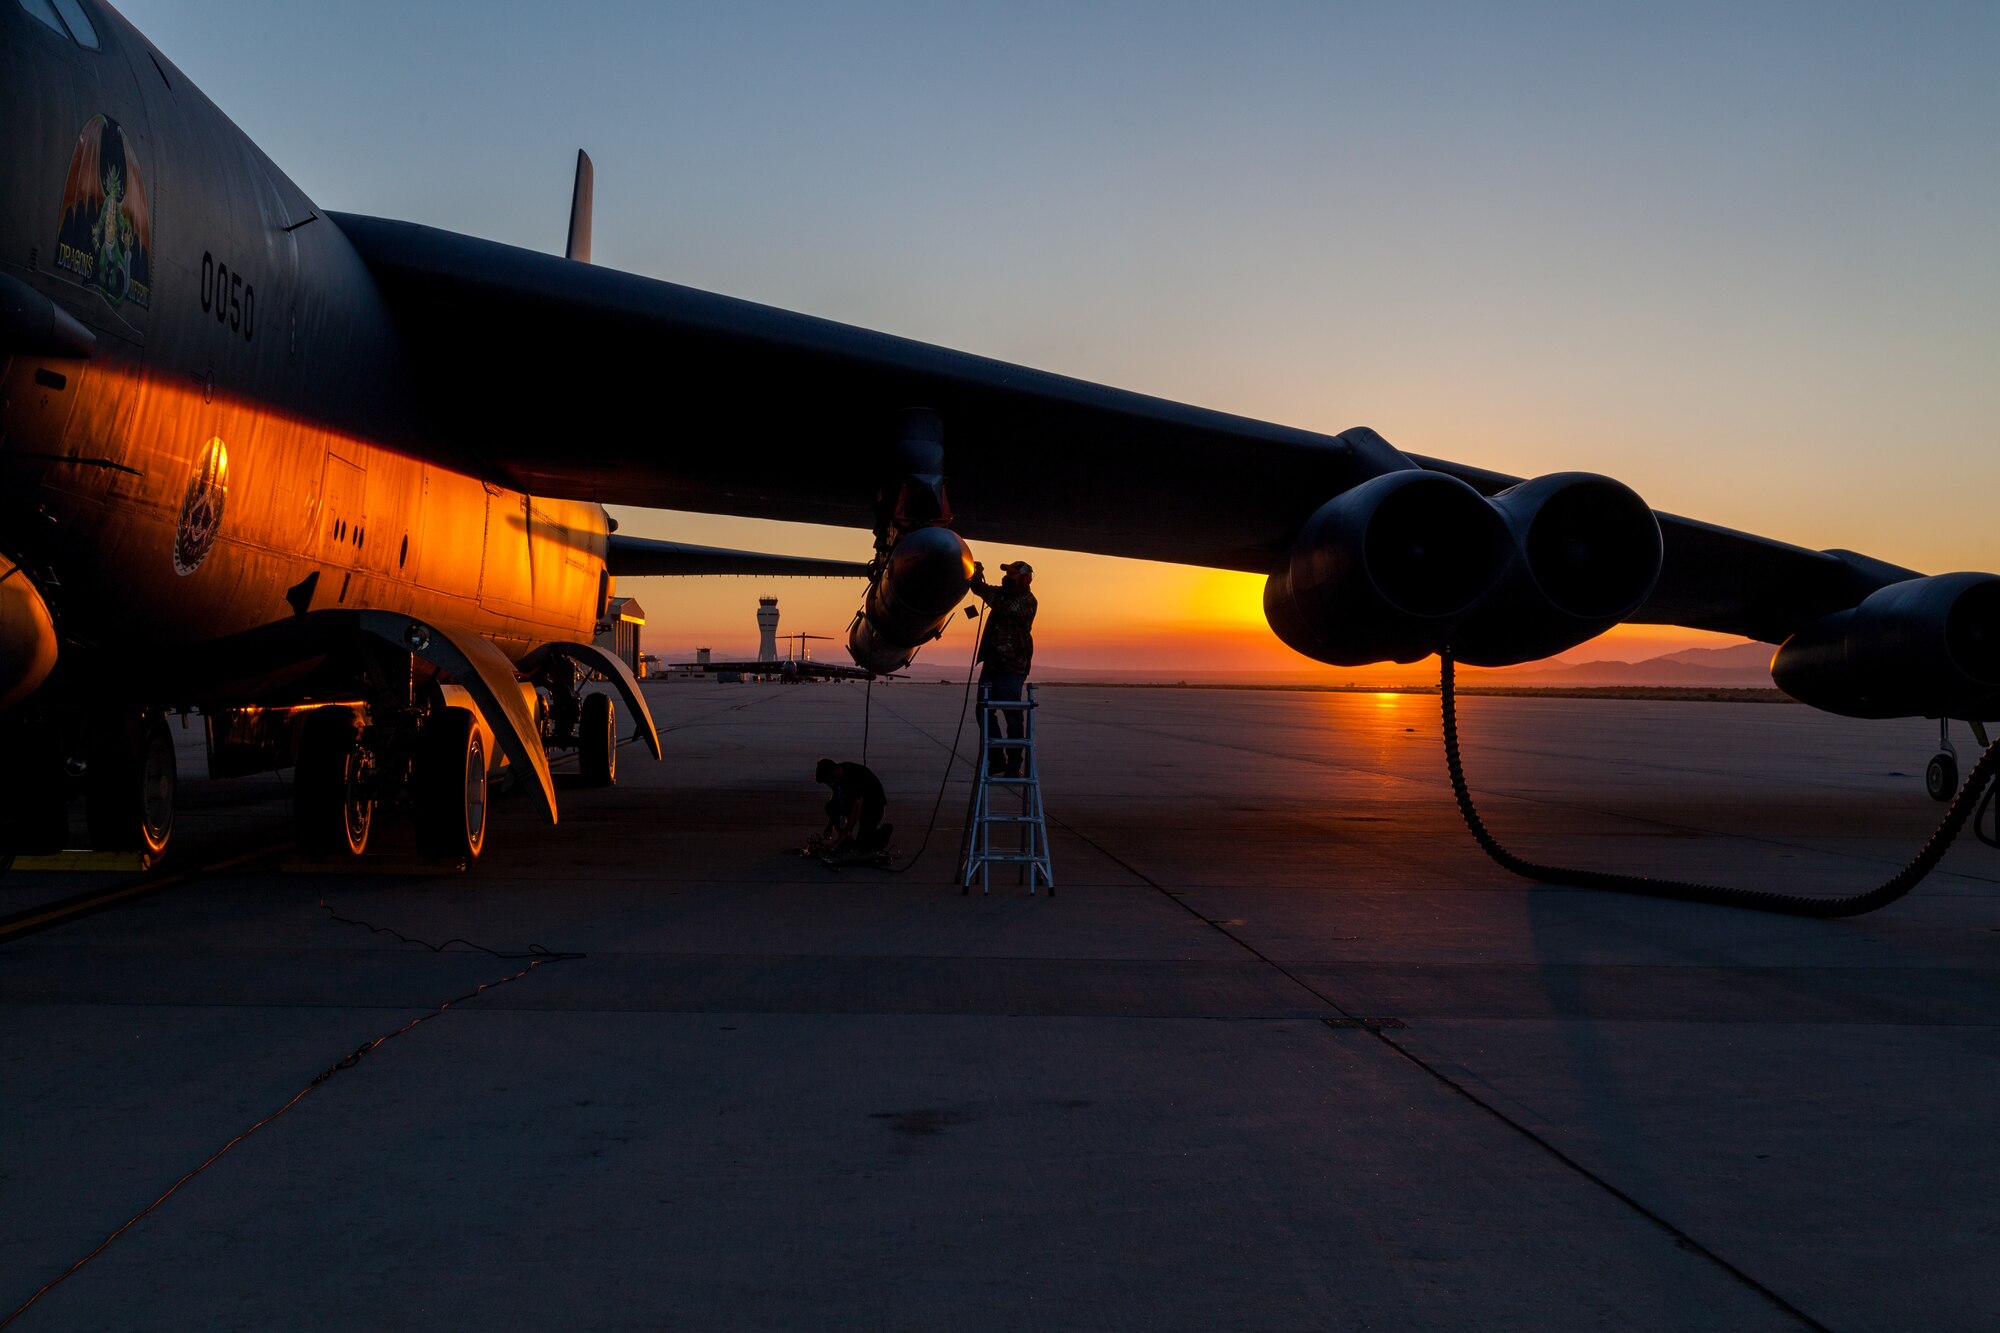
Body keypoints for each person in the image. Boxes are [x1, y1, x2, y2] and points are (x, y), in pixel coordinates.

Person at [968, 559, 1037, 777]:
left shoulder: (1027, 601)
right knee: (983, 710)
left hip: (1011, 668)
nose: (1008, 577)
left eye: (1013, 574)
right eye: (1008, 573)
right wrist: (976, 575)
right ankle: (996, 758)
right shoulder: (1004, 594)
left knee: (1012, 716)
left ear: (1025, 578)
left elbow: (1002, 605)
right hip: (992, 664)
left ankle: (1014, 764)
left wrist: (983, 589)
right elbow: (981, 589)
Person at [814, 757, 892, 854]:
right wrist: (830, 825)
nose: (829, 784)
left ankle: (882, 834)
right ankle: (847, 842)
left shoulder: (854, 778)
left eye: (828, 781)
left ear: (833, 773)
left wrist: (838, 842)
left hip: (873, 808)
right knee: (831, 807)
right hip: (854, 804)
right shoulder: (837, 774)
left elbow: (854, 815)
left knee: (863, 847)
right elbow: (835, 797)